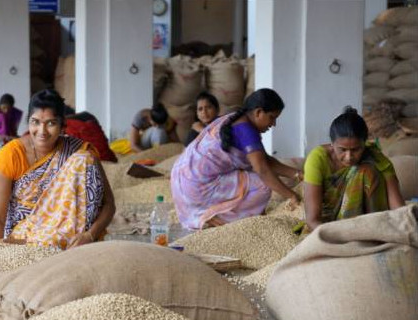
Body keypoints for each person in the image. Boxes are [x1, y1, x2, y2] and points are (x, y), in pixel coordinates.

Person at [0, 89, 115, 249]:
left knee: (84, 159)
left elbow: (109, 204)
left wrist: (90, 235)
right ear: (28, 122)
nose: (42, 131)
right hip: (24, 239)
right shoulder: (11, 155)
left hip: (75, 237)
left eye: (51, 123)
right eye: (35, 122)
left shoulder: (78, 151)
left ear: (62, 126)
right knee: (49, 245)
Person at [171, 88, 302, 229]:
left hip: (181, 180)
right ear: (258, 112)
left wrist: (298, 174)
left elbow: (264, 160)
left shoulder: (236, 119)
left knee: (251, 179)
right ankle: (219, 220)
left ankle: (220, 213)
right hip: (196, 186)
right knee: (262, 186)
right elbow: (263, 170)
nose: (273, 124)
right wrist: (292, 196)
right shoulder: (246, 131)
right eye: (272, 117)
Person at [303, 107, 404, 231]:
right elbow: (312, 219)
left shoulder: (376, 158)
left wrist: (404, 227)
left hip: (371, 223)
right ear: (332, 143)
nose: (349, 157)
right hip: (329, 225)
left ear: (365, 144)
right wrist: (333, 237)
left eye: (356, 150)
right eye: (342, 150)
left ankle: (372, 230)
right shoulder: (318, 159)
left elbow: (398, 209)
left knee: (367, 171)